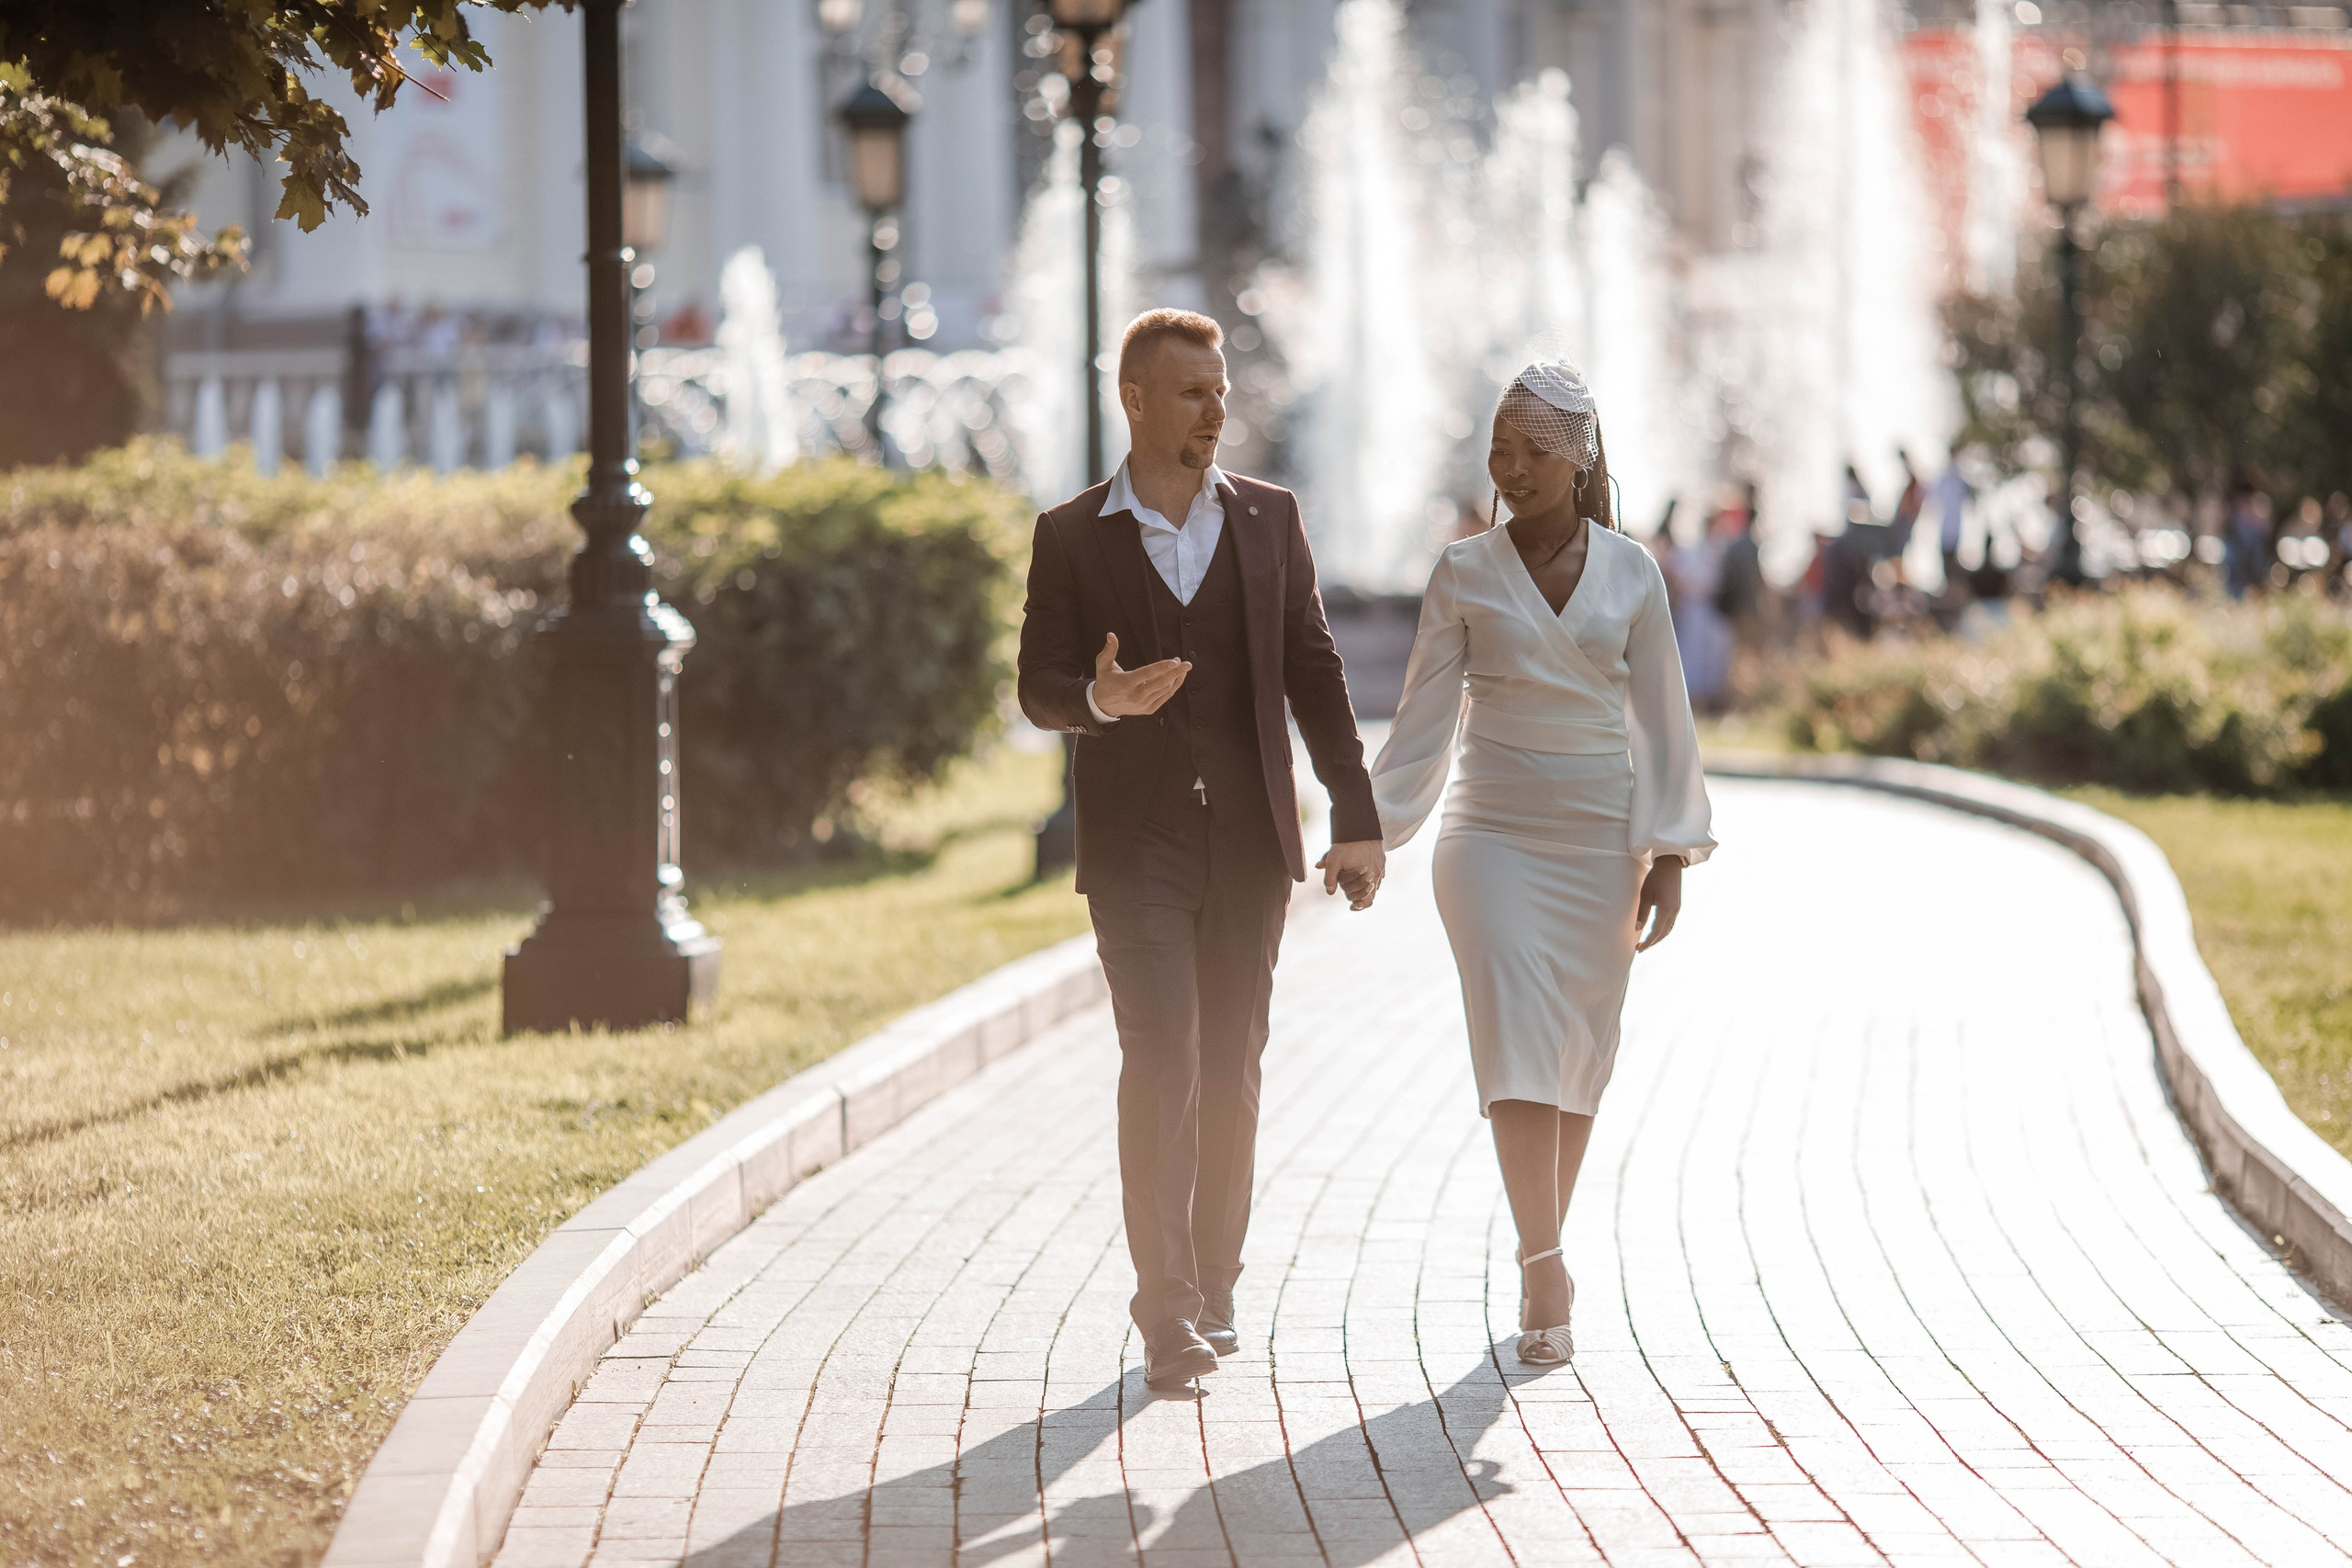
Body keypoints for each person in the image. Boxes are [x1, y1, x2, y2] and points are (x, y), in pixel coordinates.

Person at [1016, 308, 1387, 1391]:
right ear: (1134, 400)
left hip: (1248, 844)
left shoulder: (1269, 519)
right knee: (1162, 1059)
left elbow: (1313, 671)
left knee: (1229, 1068)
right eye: (1191, 392)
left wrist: (1355, 819)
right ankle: (1163, 1308)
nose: (1214, 408)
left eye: (1220, 390)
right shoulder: (1073, 533)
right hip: (1137, 847)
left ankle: (1216, 1283)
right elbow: (1036, 685)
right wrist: (1099, 698)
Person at [1369, 362, 1715, 1368]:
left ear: (1580, 460)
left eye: (1534, 452)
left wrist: (1671, 854)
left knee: (1576, 1059)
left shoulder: (1633, 573)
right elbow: (1421, 726)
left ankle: (1539, 1247)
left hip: (1602, 843)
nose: (1511, 470)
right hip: (1488, 840)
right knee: (1517, 1042)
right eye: (1499, 452)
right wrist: (1370, 832)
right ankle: (1544, 1262)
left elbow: (1663, 721)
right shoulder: (1462, 573)